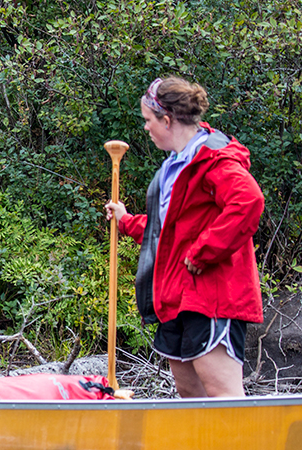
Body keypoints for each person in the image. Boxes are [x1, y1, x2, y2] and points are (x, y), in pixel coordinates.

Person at [105, 76, 264, 398]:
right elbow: (172, 227)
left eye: (149, 121)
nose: (146, 128)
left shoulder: (213, 158)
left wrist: (202, 252)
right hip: (177, 296)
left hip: (212, 296)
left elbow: (248, 202)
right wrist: (127, 221)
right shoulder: (174, 164)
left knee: (222, 393)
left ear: (166, 119)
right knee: (189, 392)